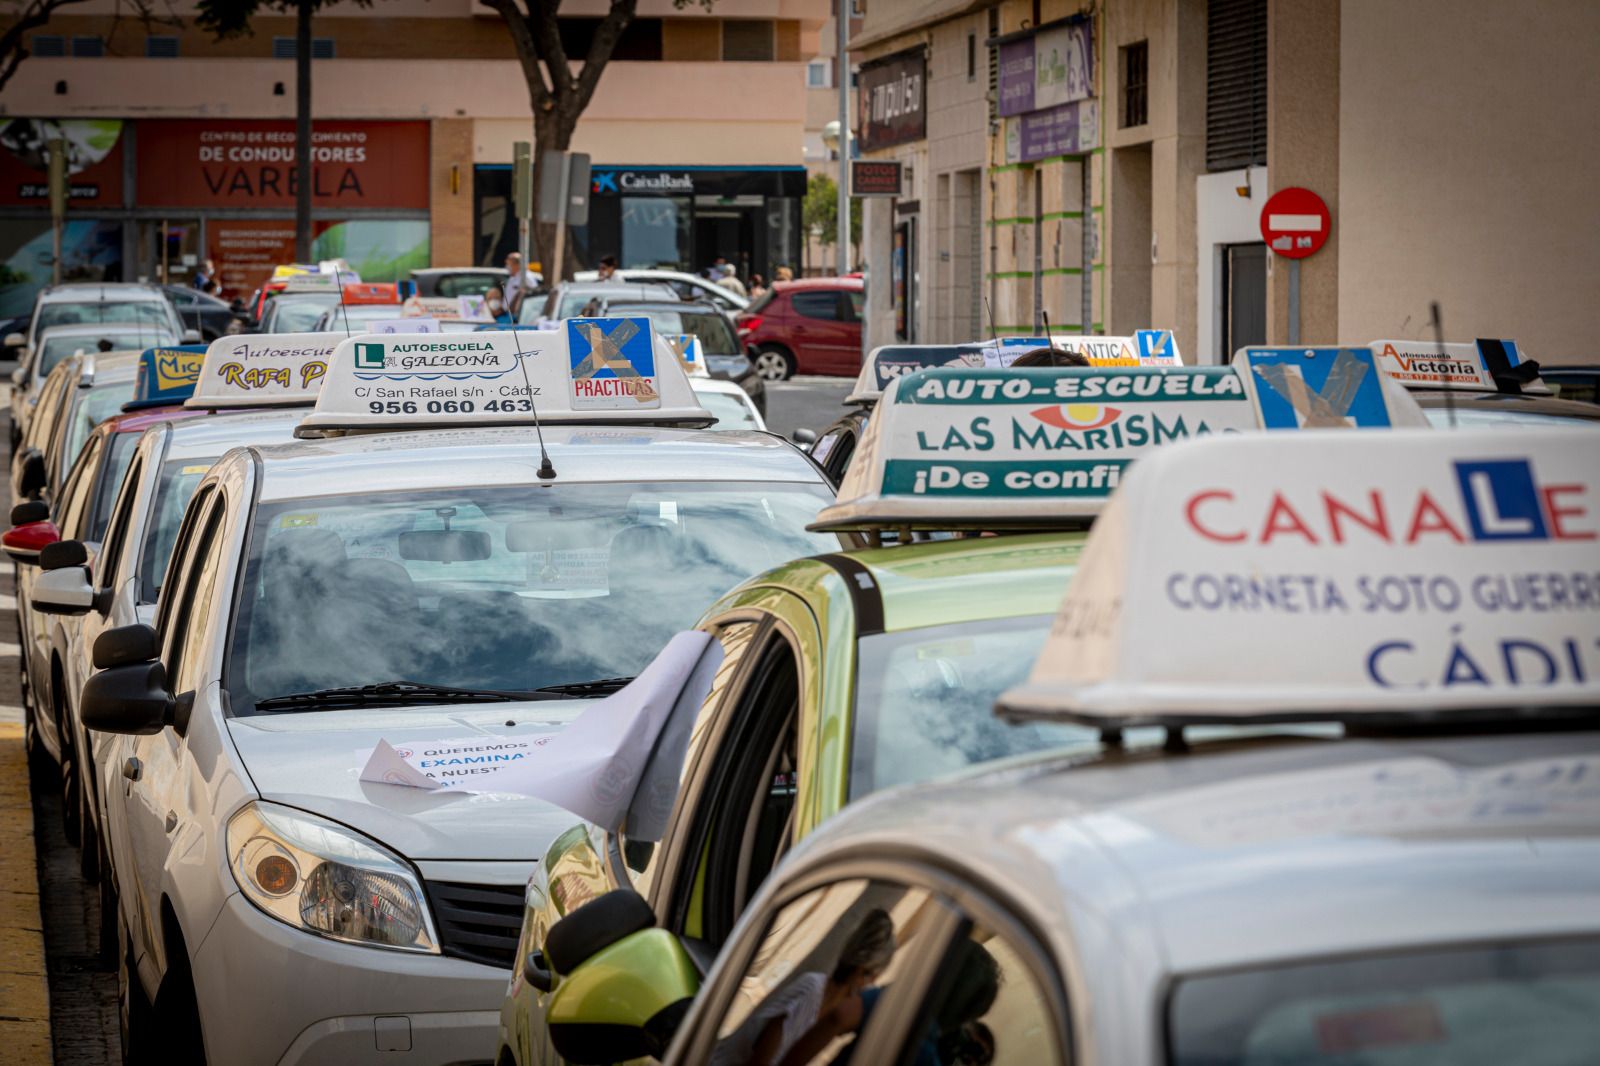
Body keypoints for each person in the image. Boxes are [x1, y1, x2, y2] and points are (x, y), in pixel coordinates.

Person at [712, 909, 896, 1066]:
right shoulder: (812, 989)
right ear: (861, 972)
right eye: (873, 977)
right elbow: (761, 1058)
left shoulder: (831, 1011)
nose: (872, 985)